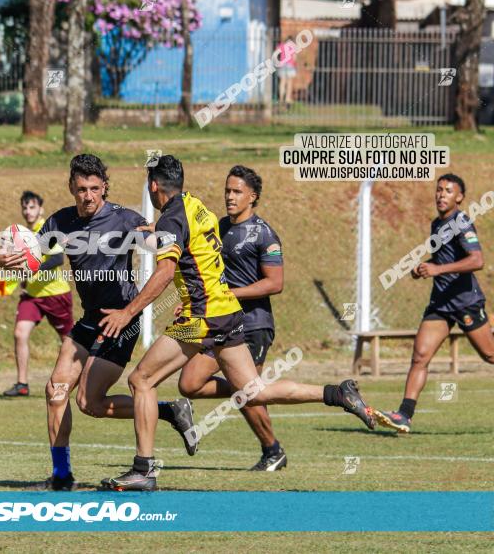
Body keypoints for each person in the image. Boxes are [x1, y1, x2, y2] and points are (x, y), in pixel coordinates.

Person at [98, 154, 376, 491]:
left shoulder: (174, 218)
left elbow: (166, 271)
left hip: (200, 318)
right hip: (226, 312)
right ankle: (336, 393)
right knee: (254, 391)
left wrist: (129, 312)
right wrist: (155, 231)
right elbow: (189, 238)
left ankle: (143, 469)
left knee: (142, 379)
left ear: (153, 186)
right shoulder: (194, 205)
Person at [0, 154, 196, 491]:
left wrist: (157, 240)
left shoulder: (125, 218)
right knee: (56, 391)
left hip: (121, 319)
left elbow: (156, 247)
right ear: (71, 187)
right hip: (90, 319)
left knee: (88, 401)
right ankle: (61, 477)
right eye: (82, 188)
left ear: (104, 188)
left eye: (95, 189)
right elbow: (29, 254)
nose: (88, 196)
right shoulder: (61, 221)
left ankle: (164, 410)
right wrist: (2, 258)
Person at [177, 165, 288, 471]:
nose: (230, 196)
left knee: (247, 391)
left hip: (254, 325)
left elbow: (275, 283)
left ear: (252, 196)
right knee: (189, 383)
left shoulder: (264, 233)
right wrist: (194, 302)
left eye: (237, 191)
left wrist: (230, 295)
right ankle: (244, 391)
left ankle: (272, 451)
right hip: (217, 320)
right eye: (228, 190)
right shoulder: (219, 227)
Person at [375, 174, 494, 433]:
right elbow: (444, 256)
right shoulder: (436, 224)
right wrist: (423, 268)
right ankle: (404, 416)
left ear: (459, 198)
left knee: (489, 355)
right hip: (440, 303)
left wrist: (438, 270)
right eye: (439, 190)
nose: (441, 195)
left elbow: (477, 260)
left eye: (448, 191)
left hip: (465, 302)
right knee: (420, 356)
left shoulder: (462, 222)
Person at [3, 191, 74, 397]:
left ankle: (83, 375)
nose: (28, 211)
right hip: (32, 295)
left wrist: (32, 269)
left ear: (41, 209)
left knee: (69, 341)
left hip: (55, 294)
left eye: (32, 207)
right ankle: (22, 384)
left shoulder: (49, 228)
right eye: (24, 207)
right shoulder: (22, 234)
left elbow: (57, 259)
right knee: (20, 333)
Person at [277, 36, 297, 104]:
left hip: (282, 65)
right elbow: (294, 58)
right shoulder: (293, 46)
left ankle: (281, 99)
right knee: (289, 82)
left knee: (282, 82)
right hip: (290, 65)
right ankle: (287, 98)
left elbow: (277, 53)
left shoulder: (282, 45)